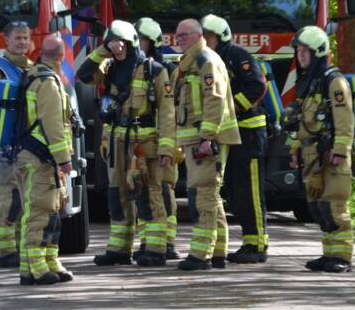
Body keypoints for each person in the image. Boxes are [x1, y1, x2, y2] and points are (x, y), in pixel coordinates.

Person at [76, 20, 175, 267]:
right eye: (112, 43)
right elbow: (83, 74)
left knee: (148, 195)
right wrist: (103, 50)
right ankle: (120, 249)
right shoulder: (108, 68)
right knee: (116, 195)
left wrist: (166, 148)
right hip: (117, 143)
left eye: (121, 43)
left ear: (131, 43)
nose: (117, 48)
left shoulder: (154, 70)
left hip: (144, 144)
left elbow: (167, 112)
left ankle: (155, 249)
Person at [170, 19, 240, 271]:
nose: (179, 40)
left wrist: (207, 138)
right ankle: (219, 252)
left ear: (199, 35)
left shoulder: (205, 60)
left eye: (184, 35)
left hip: (207, 141)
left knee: (203, 196)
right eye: (177, 36)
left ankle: (201, 255)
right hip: (196, 140)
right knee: (210, 195)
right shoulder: (190, 63)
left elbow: (215, 99)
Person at [201, 14, 270, 264]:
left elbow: (257, 87)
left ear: (221, 37)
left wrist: (230, 108)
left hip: (250, 134)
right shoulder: (210, 60)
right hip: (230, 136)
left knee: (250, 192)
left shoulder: (237, 56)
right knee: (235, 192)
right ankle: (249, 241)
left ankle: (258, 244)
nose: (205, 42)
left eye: (208, 37)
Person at [286, 25, 355, 273]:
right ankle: (328, 254)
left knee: (334, 206)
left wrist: (340, 150)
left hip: (330, 156)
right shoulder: (309, 83)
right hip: (312, 156)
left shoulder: (333, 82)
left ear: (318, 52)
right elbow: (301, 123)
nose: (301, 55)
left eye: (306, 51)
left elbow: (345, 121)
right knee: (318, 207)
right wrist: (294, 147)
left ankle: (342, 257)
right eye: (299, 51)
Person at [15, 34, 75, 285]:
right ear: (61, 57)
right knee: (39, 212)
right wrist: (64, 159)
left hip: (29, 155)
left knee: (45, 211)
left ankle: (45, 262)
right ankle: (37, 268)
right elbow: (53, 125)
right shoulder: (48, 83)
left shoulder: (31, 76)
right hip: (39, 157)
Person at [0, 21, 34, 268]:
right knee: (6, 202)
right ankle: (3, 253)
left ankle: (22, 250)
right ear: (6, 41)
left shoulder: (31, 69)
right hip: (5, 147)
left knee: (25, 202)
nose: (22, 42)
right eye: (17, 38)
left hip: (27, 147)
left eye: (25, 38)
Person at [133, 17, 181, 260]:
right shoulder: (137, 69)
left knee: (164, 190)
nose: (137, 44)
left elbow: (169, 110)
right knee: (144, 192)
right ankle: (148, 241)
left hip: (165, 140)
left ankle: (167, 241)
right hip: (143, 144)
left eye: (140, 40)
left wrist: (168, 145)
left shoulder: (167, 71)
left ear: (153, 43)